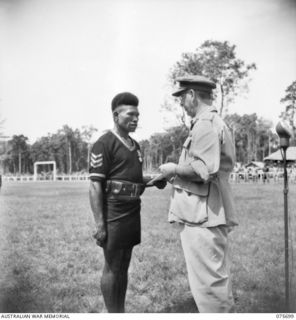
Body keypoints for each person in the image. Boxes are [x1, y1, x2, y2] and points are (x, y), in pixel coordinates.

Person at [159, 75, 238, 313]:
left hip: (203, 214)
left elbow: (202, 170)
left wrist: (173, 169)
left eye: (182, 97)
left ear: (192, 94)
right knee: (215, 281)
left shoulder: (205, 124)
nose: (182, 103)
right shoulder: (213, 121)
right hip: (210, 210)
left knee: (209, 288)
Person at [89, 92, 166, 313]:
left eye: (138, 115)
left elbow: (131, 180)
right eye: (130, 114)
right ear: (116, 115)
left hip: (133, 210)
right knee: (113, 266)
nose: (135, 119)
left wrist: (153, 180)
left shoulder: (135, 145)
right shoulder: (104, 143)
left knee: (124, 265)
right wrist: (100, 224)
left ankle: (119, 311)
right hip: (113, 211)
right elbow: (95, 185)